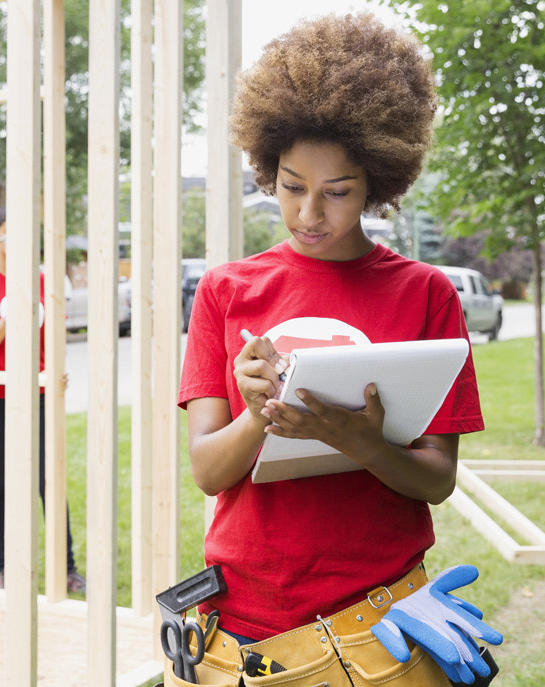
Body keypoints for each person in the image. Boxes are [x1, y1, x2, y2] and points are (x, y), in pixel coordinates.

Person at [178, 13, 497, 687]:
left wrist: (361, 442)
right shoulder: (224, 291)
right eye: (292, 186)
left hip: (380, 627)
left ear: (378, 179)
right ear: (269, 168)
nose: (309, 213)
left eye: (338, 192)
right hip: (244, 629)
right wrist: (259, 412)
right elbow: (208, 470)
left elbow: (437, 478)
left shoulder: (428, 294)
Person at [0, 207, 86, 593]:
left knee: (49, 479)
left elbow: (52, 339)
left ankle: (65, 568)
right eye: (7, 231)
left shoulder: (45, 281)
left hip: (40, 392)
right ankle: (4, 569)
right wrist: (10, 315)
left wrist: (56, 370)